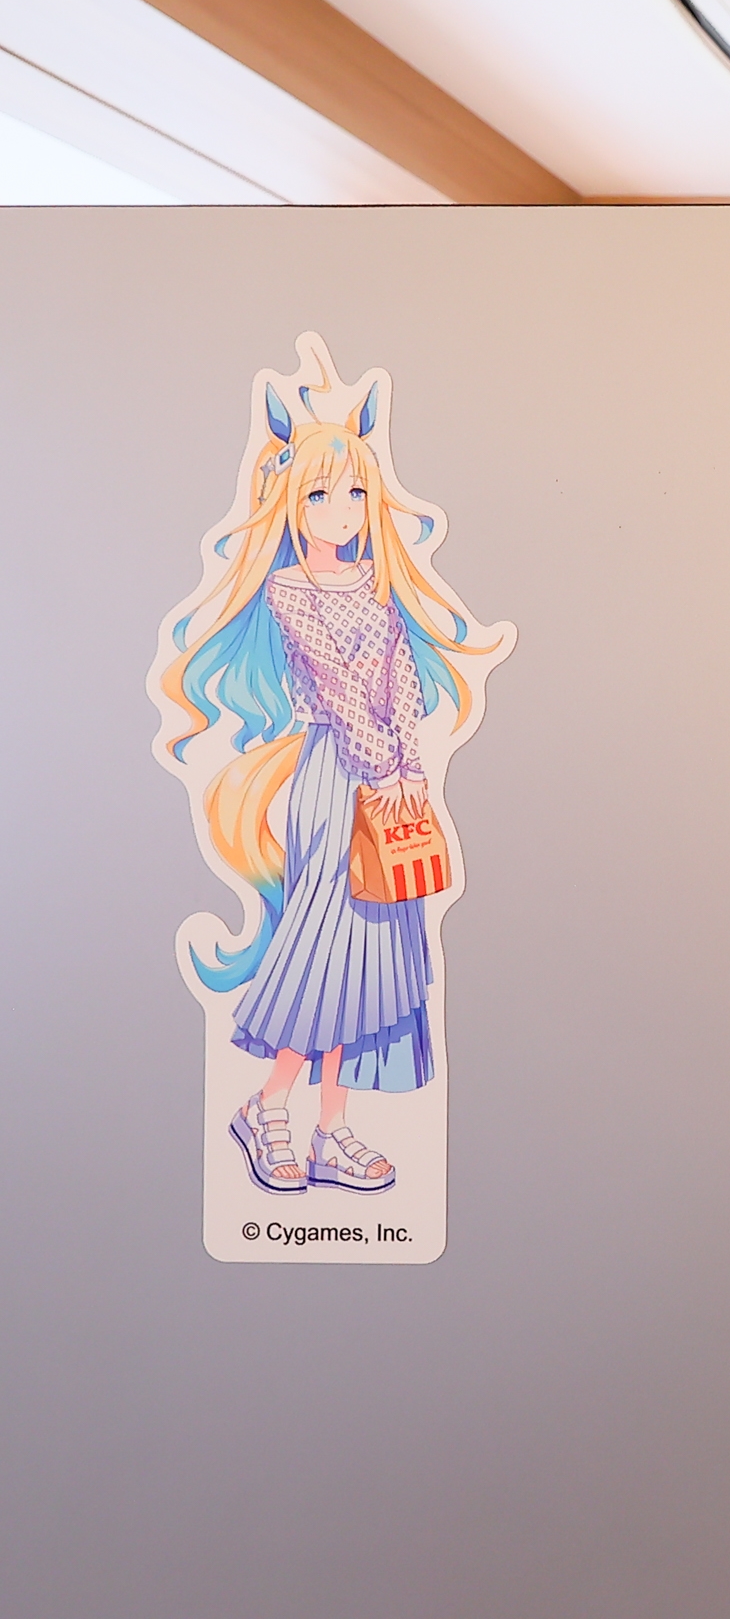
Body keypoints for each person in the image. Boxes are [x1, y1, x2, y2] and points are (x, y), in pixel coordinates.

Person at [161, 357, 491, 1196]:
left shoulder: (378, 585)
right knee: (322, 946)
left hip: (389, 786)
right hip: (332, 778)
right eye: (319, 495)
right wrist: (382, 767)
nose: (340, 512)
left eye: (353, 495)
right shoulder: (289, 588)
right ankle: (267, 1106)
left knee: (368, 957)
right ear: (290, 501)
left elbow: (401, 678)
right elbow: (338, 687)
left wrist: (409, 768)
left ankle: (329, 1126)